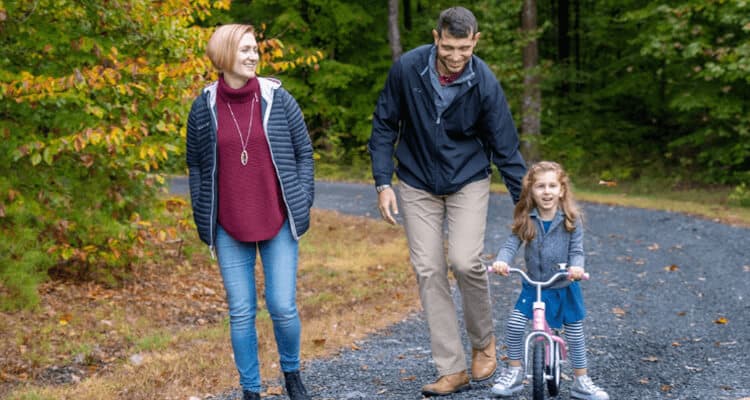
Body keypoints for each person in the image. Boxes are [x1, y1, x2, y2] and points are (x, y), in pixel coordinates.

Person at [368, 6, 527, 397]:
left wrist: (528, 208)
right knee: (428, 269)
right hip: (416, 181)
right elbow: (384, 124)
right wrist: (381, 183)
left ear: (476, 41)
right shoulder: (407, 69)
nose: (456, 57)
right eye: (449, 47)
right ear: (436, 37)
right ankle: (451, 368)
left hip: (467, 179)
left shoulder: (484, 82)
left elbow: (506, 149)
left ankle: (483, 344)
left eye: (464, 48)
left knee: (464, 260)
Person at [185, 24, 314, 400]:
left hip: (277, 220)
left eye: (255, 49)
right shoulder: (203, 107)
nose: (253, 56)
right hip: (229, 224)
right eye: (244, 50)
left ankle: (291, 374)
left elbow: (304, 153)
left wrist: (302, 199)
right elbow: (195, 165)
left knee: (282, 306)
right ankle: (251, 390)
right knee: (241, 312)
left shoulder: (278, 98)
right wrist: (201, 211)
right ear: (224, 56)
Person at [488, 161, 609, 400]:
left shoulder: (570, 220)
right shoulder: (527, 218)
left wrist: (576, 268)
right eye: (540, 186)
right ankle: (513, 372)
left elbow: (577, 251)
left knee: (574, 332)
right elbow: (511, 244)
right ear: (531, 191)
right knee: (514, 324)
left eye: (552, 185)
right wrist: (502, 261)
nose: (546, 191)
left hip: (564, 286)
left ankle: (581, 380)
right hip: (534, 287)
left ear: (561, 190)